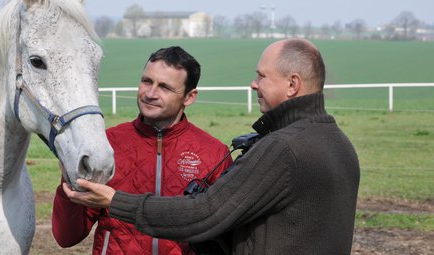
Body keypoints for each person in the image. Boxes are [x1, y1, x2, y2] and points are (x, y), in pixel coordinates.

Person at [62, 38, 361, 255]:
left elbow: (206, 214)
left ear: (292, 85)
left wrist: (116, 201)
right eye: (146, 81)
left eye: (261, 75)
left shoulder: (282, 149)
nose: (253, 84)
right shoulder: (339, 143)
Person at [52, 46, 233, 254]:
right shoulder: (106, 144)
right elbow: (67, 236)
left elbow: (223, 234)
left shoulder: (215, 154)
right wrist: (69, 181)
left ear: (189, 97)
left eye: (165, 87)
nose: (150, 93)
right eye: (147, 81)